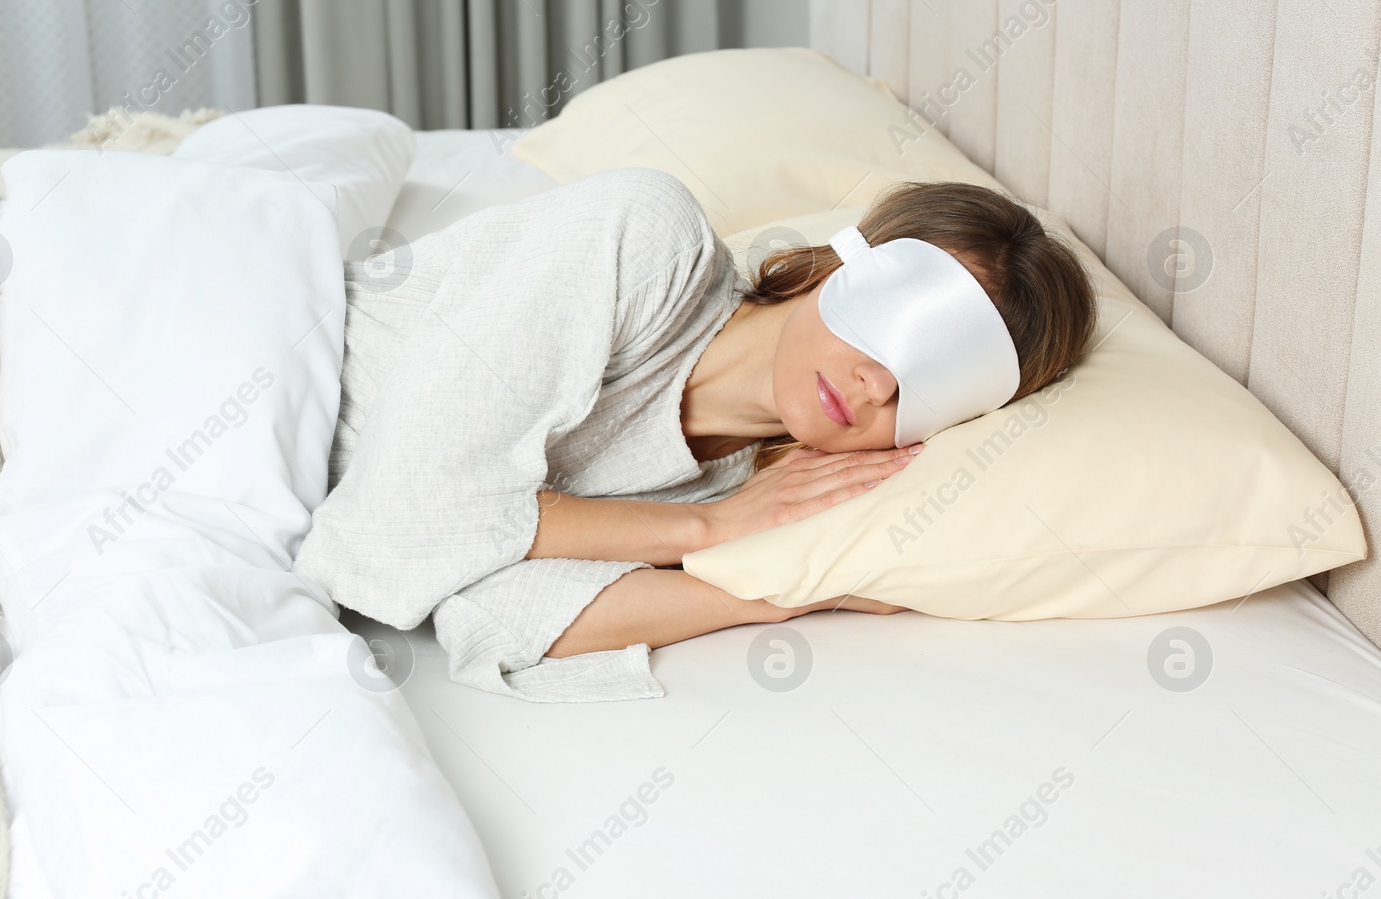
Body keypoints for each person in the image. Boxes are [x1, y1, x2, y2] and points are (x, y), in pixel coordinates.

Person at [299, 168, 1097, 701]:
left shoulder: (739, 490)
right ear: (839, 264)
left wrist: (800, 591)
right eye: (900, 327)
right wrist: (705, 530)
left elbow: (498, 617)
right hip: (258, 357)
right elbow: (399, 520)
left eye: (931, 384)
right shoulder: (647, 240)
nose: (880, 383)